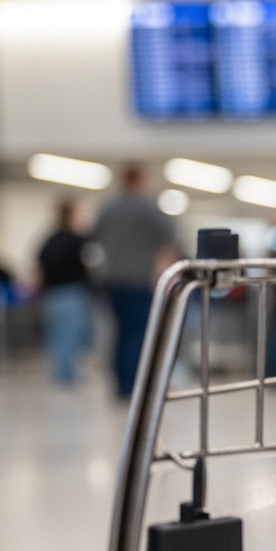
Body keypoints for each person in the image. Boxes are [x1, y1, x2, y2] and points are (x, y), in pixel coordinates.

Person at [90, 164, 178, 398]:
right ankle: (134, 386)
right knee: (138, 335)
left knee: (119, 333)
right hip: (139, 281)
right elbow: (168, 242)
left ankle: (120, 384)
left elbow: (94, 239)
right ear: (139, 180)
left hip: (112, 282)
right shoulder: (148, 209)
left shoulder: (108, 209)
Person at [38, 200, 93, 385]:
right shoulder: (78, 240)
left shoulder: (49, 240)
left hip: (52, 294)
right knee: (70, 335)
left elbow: (40, 266)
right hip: (72, 292)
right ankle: (67, 374)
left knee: (56, 335)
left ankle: (59, 373)